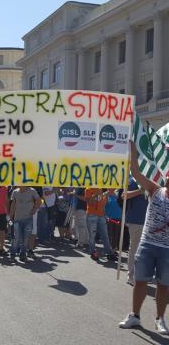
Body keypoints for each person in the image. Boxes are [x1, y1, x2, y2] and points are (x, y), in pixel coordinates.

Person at [119, 142, 169, 335]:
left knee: (164, 285)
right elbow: (136, 172)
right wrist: (133, 152)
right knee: (140, 281)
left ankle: (160, 319)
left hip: (167, 248)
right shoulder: (155, 189)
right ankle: (135, 315)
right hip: (147, 244)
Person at [121, 177, 148, 286]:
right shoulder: (133, 180)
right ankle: (132, 275)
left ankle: (141, 274)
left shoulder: (152, 179)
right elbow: (123, 195)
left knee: (145, 250)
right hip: (136, 220)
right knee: (135, 248)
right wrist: (140, 191)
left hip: (149, 221)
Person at [84, 187, 117, 261]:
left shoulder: (101, 189)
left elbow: (102, 204)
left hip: (101, 215)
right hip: (91, 215)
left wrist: (106, 194)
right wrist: (96, 194)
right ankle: (93, 252)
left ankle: (109, 253)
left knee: (105, 235)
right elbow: (89, 202)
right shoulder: (88, 189)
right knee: (92, 235)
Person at [9, 186, 41, 262]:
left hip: (28, 219)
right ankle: (12, 255)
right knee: (16, 238)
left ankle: (23, 255)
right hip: (17, 219)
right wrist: (10, 217)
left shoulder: (32, 191)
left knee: (26, 239)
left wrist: (34, 210)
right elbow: (13, 205)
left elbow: (39, 201)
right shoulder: (15, 192)